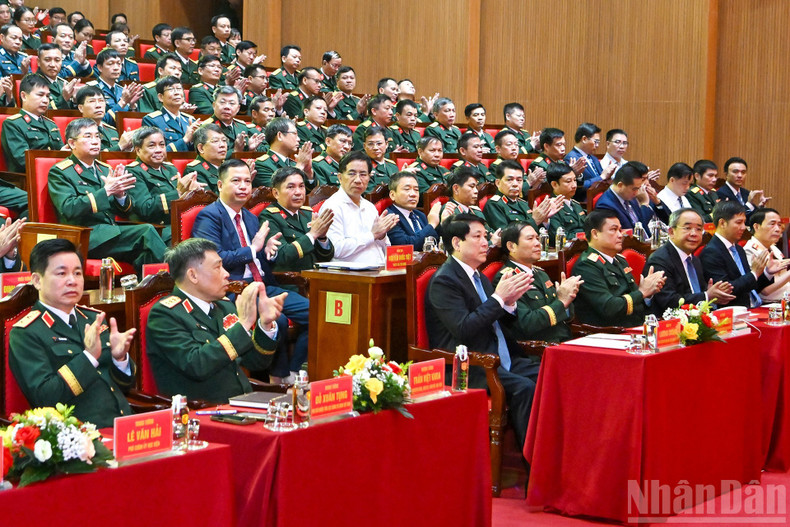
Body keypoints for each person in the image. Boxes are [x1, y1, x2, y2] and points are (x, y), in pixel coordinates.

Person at [425, 212, 539, 449]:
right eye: (477, 236)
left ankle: (552, 457)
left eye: (485, 236)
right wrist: (499, 298)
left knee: (551, 374)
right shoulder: (444, 281)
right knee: (525, 388)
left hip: (499, 356)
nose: (486, 242)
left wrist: (509, 303)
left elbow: (495, 321)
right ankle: (532, 467)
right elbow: (464, 329)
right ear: (457, 243)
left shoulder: (479, 277)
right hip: (470, 365)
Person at [191, 159, 310, 382]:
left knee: (317, 311)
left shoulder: (251, 217)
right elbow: (212, 260)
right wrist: (252, 249)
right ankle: (277, 377)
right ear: (219, 185)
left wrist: (268, 252)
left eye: (247, 181)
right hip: (234, 290)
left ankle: (295, 371)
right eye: (236, 181)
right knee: (278, 319)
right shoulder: (209, 216)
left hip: (264, 286)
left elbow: (259, 257)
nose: (244, 186)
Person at [9, 238, 137, 428]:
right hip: (79, 437)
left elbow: (126, 385)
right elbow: (46, 397)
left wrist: (120, 359)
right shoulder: (27, 333)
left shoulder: (93, 319)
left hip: (124, 424)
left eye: (77, 273)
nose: (72, 281)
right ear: (37, 280)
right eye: (61, 273)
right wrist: (89, 357)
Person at [146, 237, 285, 402]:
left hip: (241, 404)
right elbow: (197, 365)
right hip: (200, 413)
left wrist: (265, 324)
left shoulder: (224, 307)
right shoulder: (165, 315)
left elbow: (255, 363)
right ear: (193, 275)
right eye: (218, 267)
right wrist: (244, 324)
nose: (226, 274)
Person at [48, 118, 167, 270]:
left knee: (145, 256)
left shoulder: (104, 169)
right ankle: (176, 280)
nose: (95, 141)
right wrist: (107, 191)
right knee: (147, 231)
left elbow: (126, 211)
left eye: (97, 136)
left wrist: (120, 195)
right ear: (72, 143)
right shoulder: (60, 172)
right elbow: (69, 208)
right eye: (88, 136)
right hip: (86, 236)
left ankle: (145, 291)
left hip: (110, 233)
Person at [572, 210, 666, 326]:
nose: (620, 235)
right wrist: (642, 292)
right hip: (609, 332)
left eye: (620, 230)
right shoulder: (586, 266)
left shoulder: (619, 260)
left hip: (635, 325)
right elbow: (609, 308)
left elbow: (635, 298)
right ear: (595, 234)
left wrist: (649, 292)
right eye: (613, 230)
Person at [494, 221, 581, 342]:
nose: (538, 243)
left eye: (537, 238)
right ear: (511, 246)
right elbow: (527, 323)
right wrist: (562, 302)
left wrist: (567, 299)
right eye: (530, 239)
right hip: (539, 349)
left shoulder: (540, 273)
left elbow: (568, 316)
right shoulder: (509, 279)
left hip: (564, 340)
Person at [644, 208, 735, 314]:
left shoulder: (694, 260)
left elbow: (698, 294)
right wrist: (706, 296)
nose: (694, 233)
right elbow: (669, 302)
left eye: (699, 229)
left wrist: (713, 296)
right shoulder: (660, 260)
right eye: (687, 228)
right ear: (671, 232)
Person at [700, 201, 786, 308]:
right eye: (739, 222)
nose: (744, 227)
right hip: (732, 312)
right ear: (722, 223)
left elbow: (753, 286)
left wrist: (767, 273)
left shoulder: (738, 249)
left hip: (752, 307)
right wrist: (754, 273)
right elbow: (726, 290)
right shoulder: (711, 252)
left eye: (744, 222)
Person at [127, 127, 202, 244]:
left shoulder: (170, 168)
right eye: (152, 146)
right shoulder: (133, 172)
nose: (158, 150)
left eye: (162, 145)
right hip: (159, 229)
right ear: (138, 150)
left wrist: (193, 192)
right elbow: (145, 209)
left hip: (180, 222)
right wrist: (178, 193)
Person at [322, 151, 399, 265]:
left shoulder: (370, 207)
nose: (358, 180)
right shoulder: (332, 207)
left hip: (378, 270)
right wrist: (372, 235)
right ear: (340, 177)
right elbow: (335, 250)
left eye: (363, 174)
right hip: (350, 276)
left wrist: (381, 235)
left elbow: (385, 248)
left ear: (369, 177)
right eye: (352, 174)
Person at [260, 166, 334, 271]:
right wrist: (312, 235)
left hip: (315, 277)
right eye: (291, 187)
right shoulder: (269, 217)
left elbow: (326, 257)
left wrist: (322, 238)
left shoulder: (308, 213)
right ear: (276, 193)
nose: (298, 192)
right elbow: (282, 256)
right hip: (292, 282)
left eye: (301, 186)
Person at [1, 73, 63, 173]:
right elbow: (23, 162)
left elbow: (61, 152)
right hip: (29, 180)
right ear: (24, 96)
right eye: (40, 95)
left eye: (47, 96)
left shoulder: (51, 124)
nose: (45, 100)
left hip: (56, 177)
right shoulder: (13, 124)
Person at [483, 159, 562, 233]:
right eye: (509, 180)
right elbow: (505, 236)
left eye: (519, 180)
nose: (515, 184)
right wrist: (534, 220)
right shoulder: (494, 204)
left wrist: (544, 219)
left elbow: (538, 232)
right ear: (498, 183)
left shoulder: (523, 203)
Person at [594, 161, 666, 230]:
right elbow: (632, 233)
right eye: (635, 189)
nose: (637, 192)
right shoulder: (605, 206)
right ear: (620, 185)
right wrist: (644, 204)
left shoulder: (629, 197)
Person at [385, 172, 447, 250]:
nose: (413, 194)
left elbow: (435, 240)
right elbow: (406, 247)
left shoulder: (420, 215)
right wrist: (432, 224)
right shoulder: (390, 217)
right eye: (407, 189)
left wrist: (443, 223)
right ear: (392, 195)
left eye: (416, 190)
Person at [141, 75, 200, 152]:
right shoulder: (152, 120)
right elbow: (154, 152)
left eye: (179, 89)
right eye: (171, 89)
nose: (177, 93)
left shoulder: (190, 119)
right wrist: (184, 140)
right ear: (160, 97)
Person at [87, 48, 143, 126]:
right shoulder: (91, 89)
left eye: (119, 63)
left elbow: (131, 122)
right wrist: (122, 102)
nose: (116, 68)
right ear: (100, 67)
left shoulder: (121, 90)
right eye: (111, 64)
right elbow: (98, 121)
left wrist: (132, 106)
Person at [745, 208, 790, 302]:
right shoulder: (749, 250)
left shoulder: (773, 247)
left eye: (779, 224)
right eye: (772, 224)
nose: (778, 229)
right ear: (756, 227)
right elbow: (762, 291)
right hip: (770, 304)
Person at [254, 117, 313, 188]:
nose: (298, 139)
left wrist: (309, 173)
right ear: (280, 135)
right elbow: (278, 191)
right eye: (294, 134)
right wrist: (299, 167)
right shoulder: (262, 165)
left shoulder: (293, 163)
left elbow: (311, 193)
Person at [209, 85, 263, 157]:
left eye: (231, 103)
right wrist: (235, 151)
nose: (227, 107)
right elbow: (210, 157)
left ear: (238, 108)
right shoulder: (207, 128)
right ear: (214, 105)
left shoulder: (242, 127)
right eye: (222, 102)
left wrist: (250, 149)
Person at [565, 122, 614, 201]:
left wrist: (608, 177)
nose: (597, 145)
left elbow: (602, 179)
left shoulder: (593, 158)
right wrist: (602, 177)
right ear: (584, 139)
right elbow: (578, 187)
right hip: (585, 201)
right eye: (596, 142)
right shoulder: (571, 158)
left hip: (600, 197)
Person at [76, 84, 133, 152]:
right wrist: (120, 146)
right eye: (92, 101)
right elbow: (91, 157)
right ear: (81, 108)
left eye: (101, 101)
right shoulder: (77, 131)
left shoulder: (112, 131)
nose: (98, 105)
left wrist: (127, 149)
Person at [716, 156, 768, 222]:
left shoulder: (746, 193)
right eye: (735, 172)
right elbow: (734, 219)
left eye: (743, 172)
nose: (740, 175)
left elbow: (753, 218)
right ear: (726, 174)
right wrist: (749, 203)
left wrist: (761, 206)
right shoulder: (721, 193)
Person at [546, 163, 586, 240]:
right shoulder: (551, 207)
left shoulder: (576, 204)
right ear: (554, 184)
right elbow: (558, 236)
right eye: (568, 181)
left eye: (575, 180)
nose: (574, 185)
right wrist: (584, 236)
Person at [184, 124, 226, 193]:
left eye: (224, 140)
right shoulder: (194, 171)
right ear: (201, 148)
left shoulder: (229, 167)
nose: (222, 145)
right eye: (215, 141)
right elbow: (209, 199)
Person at [363, 126, 399, 191]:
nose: (375, 148)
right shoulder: (363, 167)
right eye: (370, 144)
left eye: (379, 143)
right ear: (365, 146)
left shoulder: (393, 166)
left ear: (386, 144)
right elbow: (370, 193)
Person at [687, 159, 720, 223]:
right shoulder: (691, 194)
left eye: (715, 176)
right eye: (710, 176)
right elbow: (700, 219)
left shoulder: (714, 193)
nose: (714, 179)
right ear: (697, 176)